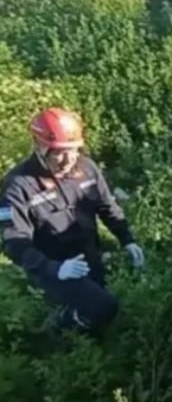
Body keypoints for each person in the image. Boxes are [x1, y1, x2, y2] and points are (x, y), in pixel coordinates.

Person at [0, 107, 145, 335]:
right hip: (52, 266)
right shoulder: (19, 185)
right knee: (103, 307)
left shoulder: (86, 169)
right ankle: (59, 326)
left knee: (98, 317)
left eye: (74, 150)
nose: (68, 159)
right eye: (59, 152)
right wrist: (53, 269)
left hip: (88, 255)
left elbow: (107, 206)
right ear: (40, 147)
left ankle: (85, 335)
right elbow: (14, 242)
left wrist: (127, 239)